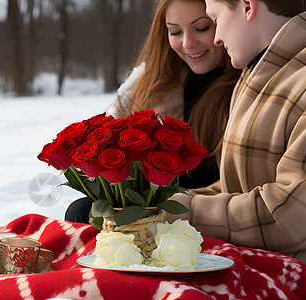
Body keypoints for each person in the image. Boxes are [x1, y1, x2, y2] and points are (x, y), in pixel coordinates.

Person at [64, 0, 241, 224]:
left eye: (201, 28)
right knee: (81, 211)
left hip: (212, 207)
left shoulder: (243, 85)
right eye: (175, 31)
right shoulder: (151, 83)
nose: (187, 43)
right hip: (153, 200)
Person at [167, 0, 306, 265]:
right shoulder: (256, 73)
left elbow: (291, 216)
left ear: (247, 6)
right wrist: (160, 204)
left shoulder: (305, 83)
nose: (218, 38)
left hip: (293, 276)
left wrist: (179, 212)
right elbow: (239, 187)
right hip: (248, 260)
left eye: (216, 19)